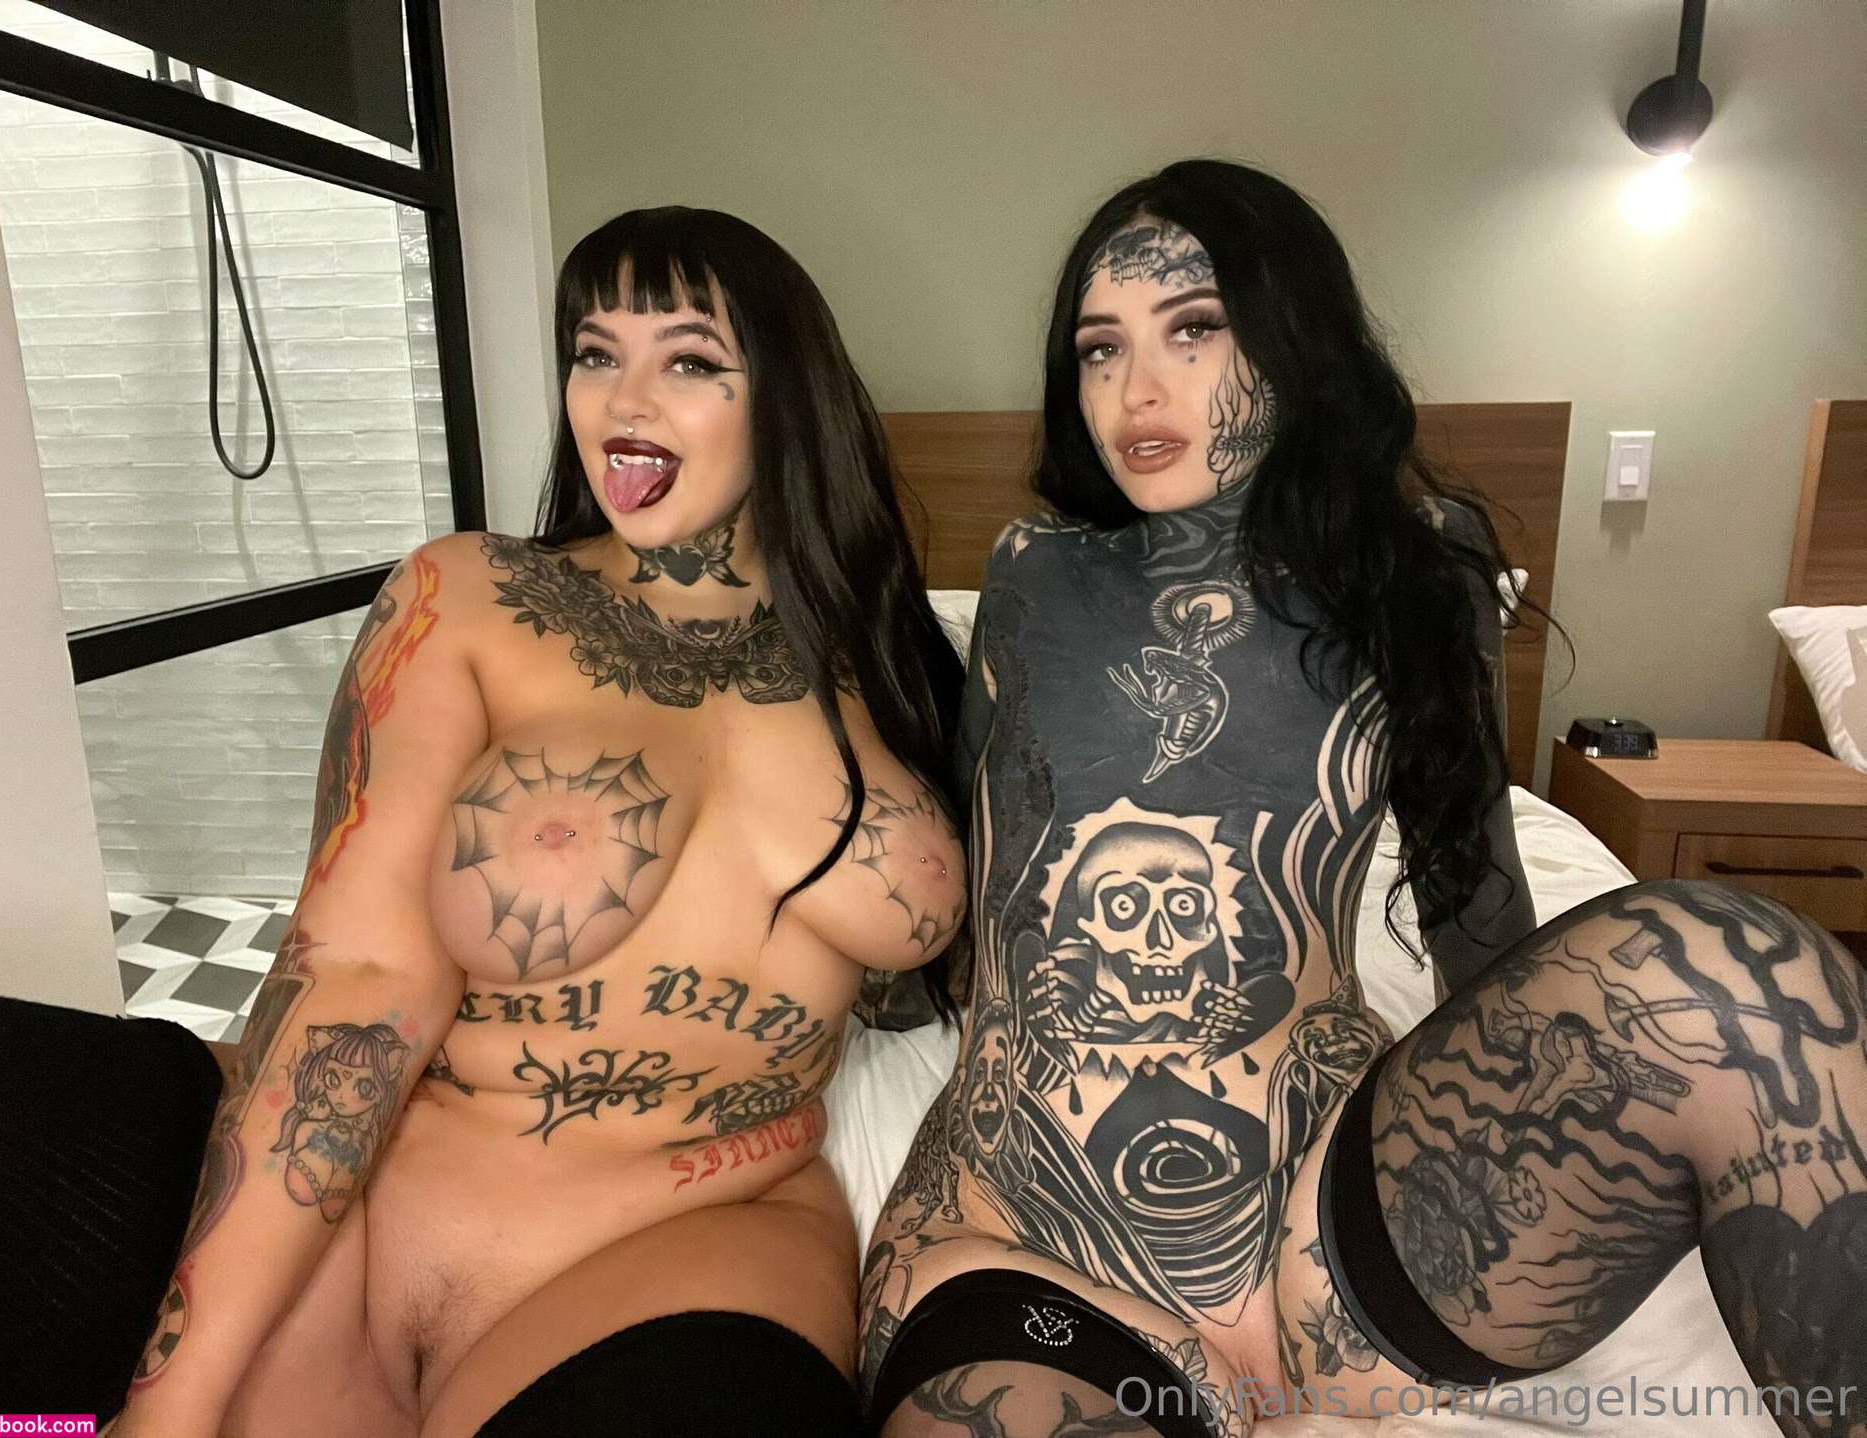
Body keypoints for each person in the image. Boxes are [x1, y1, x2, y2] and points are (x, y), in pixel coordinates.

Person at [860, 159, 1866, 1438]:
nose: (1137, 388)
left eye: (1194, 327)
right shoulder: (1032, 573)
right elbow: (960, 881)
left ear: (1293, 338)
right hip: (1036, 1233)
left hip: (1332, 1231)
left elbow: (1477, 917)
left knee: (1736, 972)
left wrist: (1536, 1098)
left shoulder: (1416, 574)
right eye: (1100, 348)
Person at [110, 205, 968, 1437]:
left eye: (688, 360)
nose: (624, 400)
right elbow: (354, 979)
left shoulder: (896, 667)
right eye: (594, 353)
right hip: (371, 1232)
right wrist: (165, 1413)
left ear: (787, 397)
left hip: (698, 1247)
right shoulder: (472, 597)